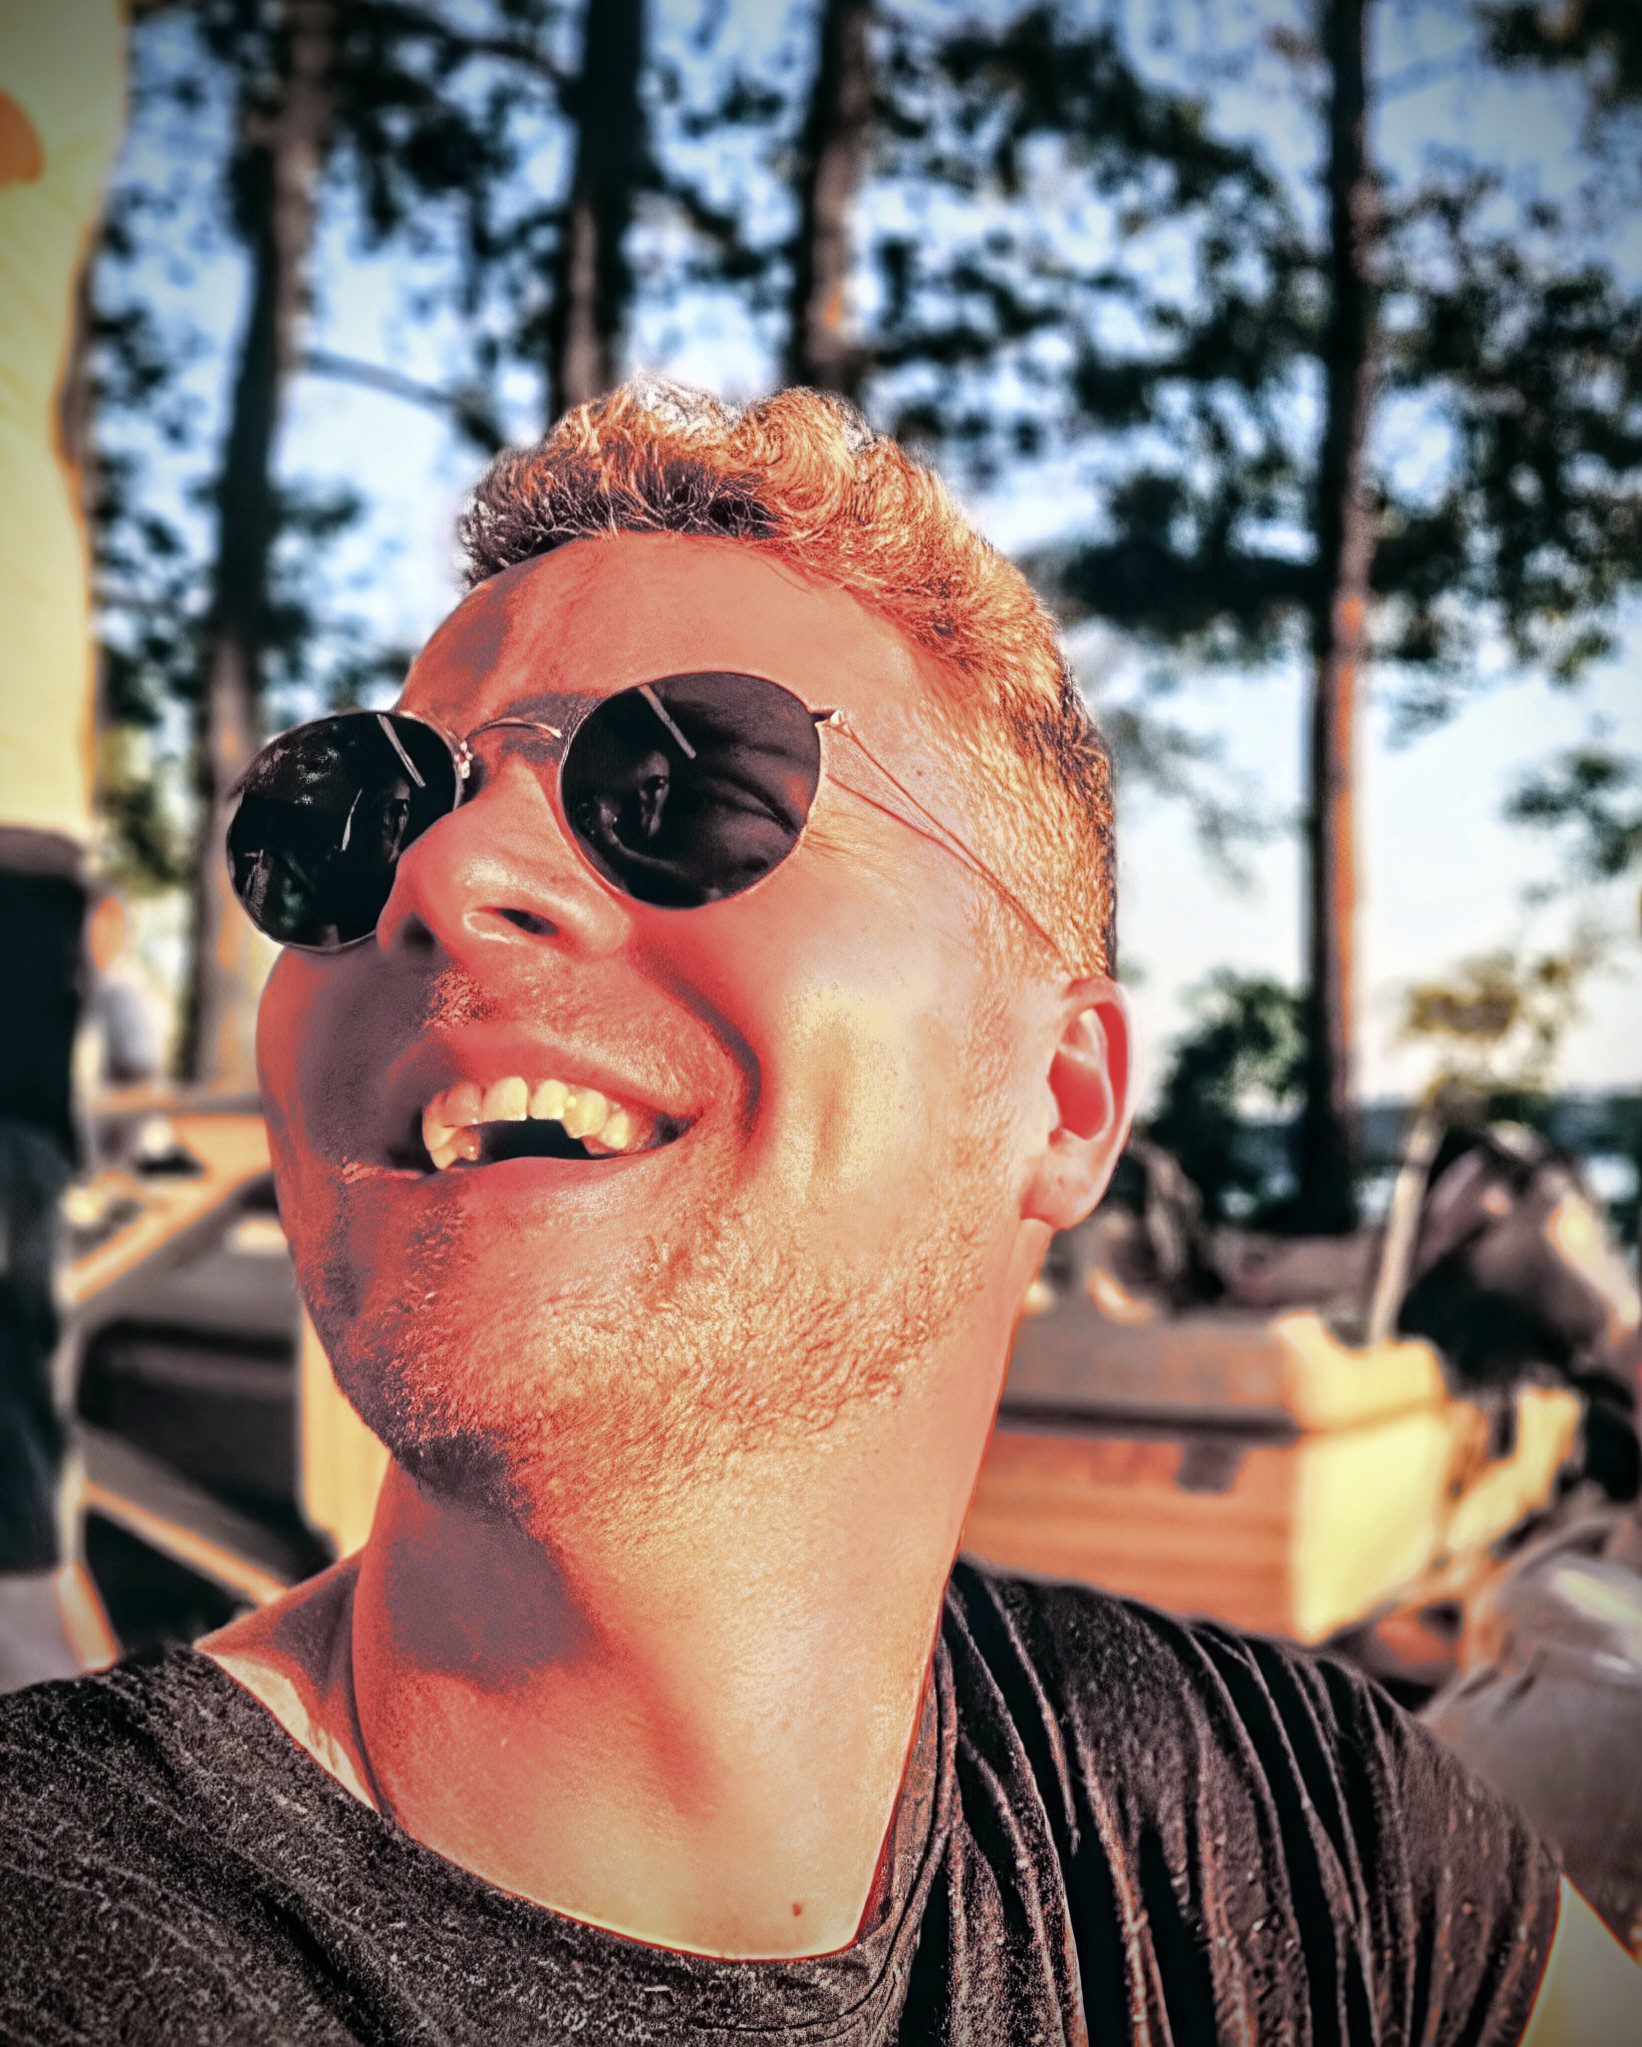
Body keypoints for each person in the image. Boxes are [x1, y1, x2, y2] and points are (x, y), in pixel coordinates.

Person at [1, 383, 1635, 2044]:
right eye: (352, 819)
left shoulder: (1308, 1832)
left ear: (1062, 1098)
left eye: (689, 783)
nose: (443, 870)